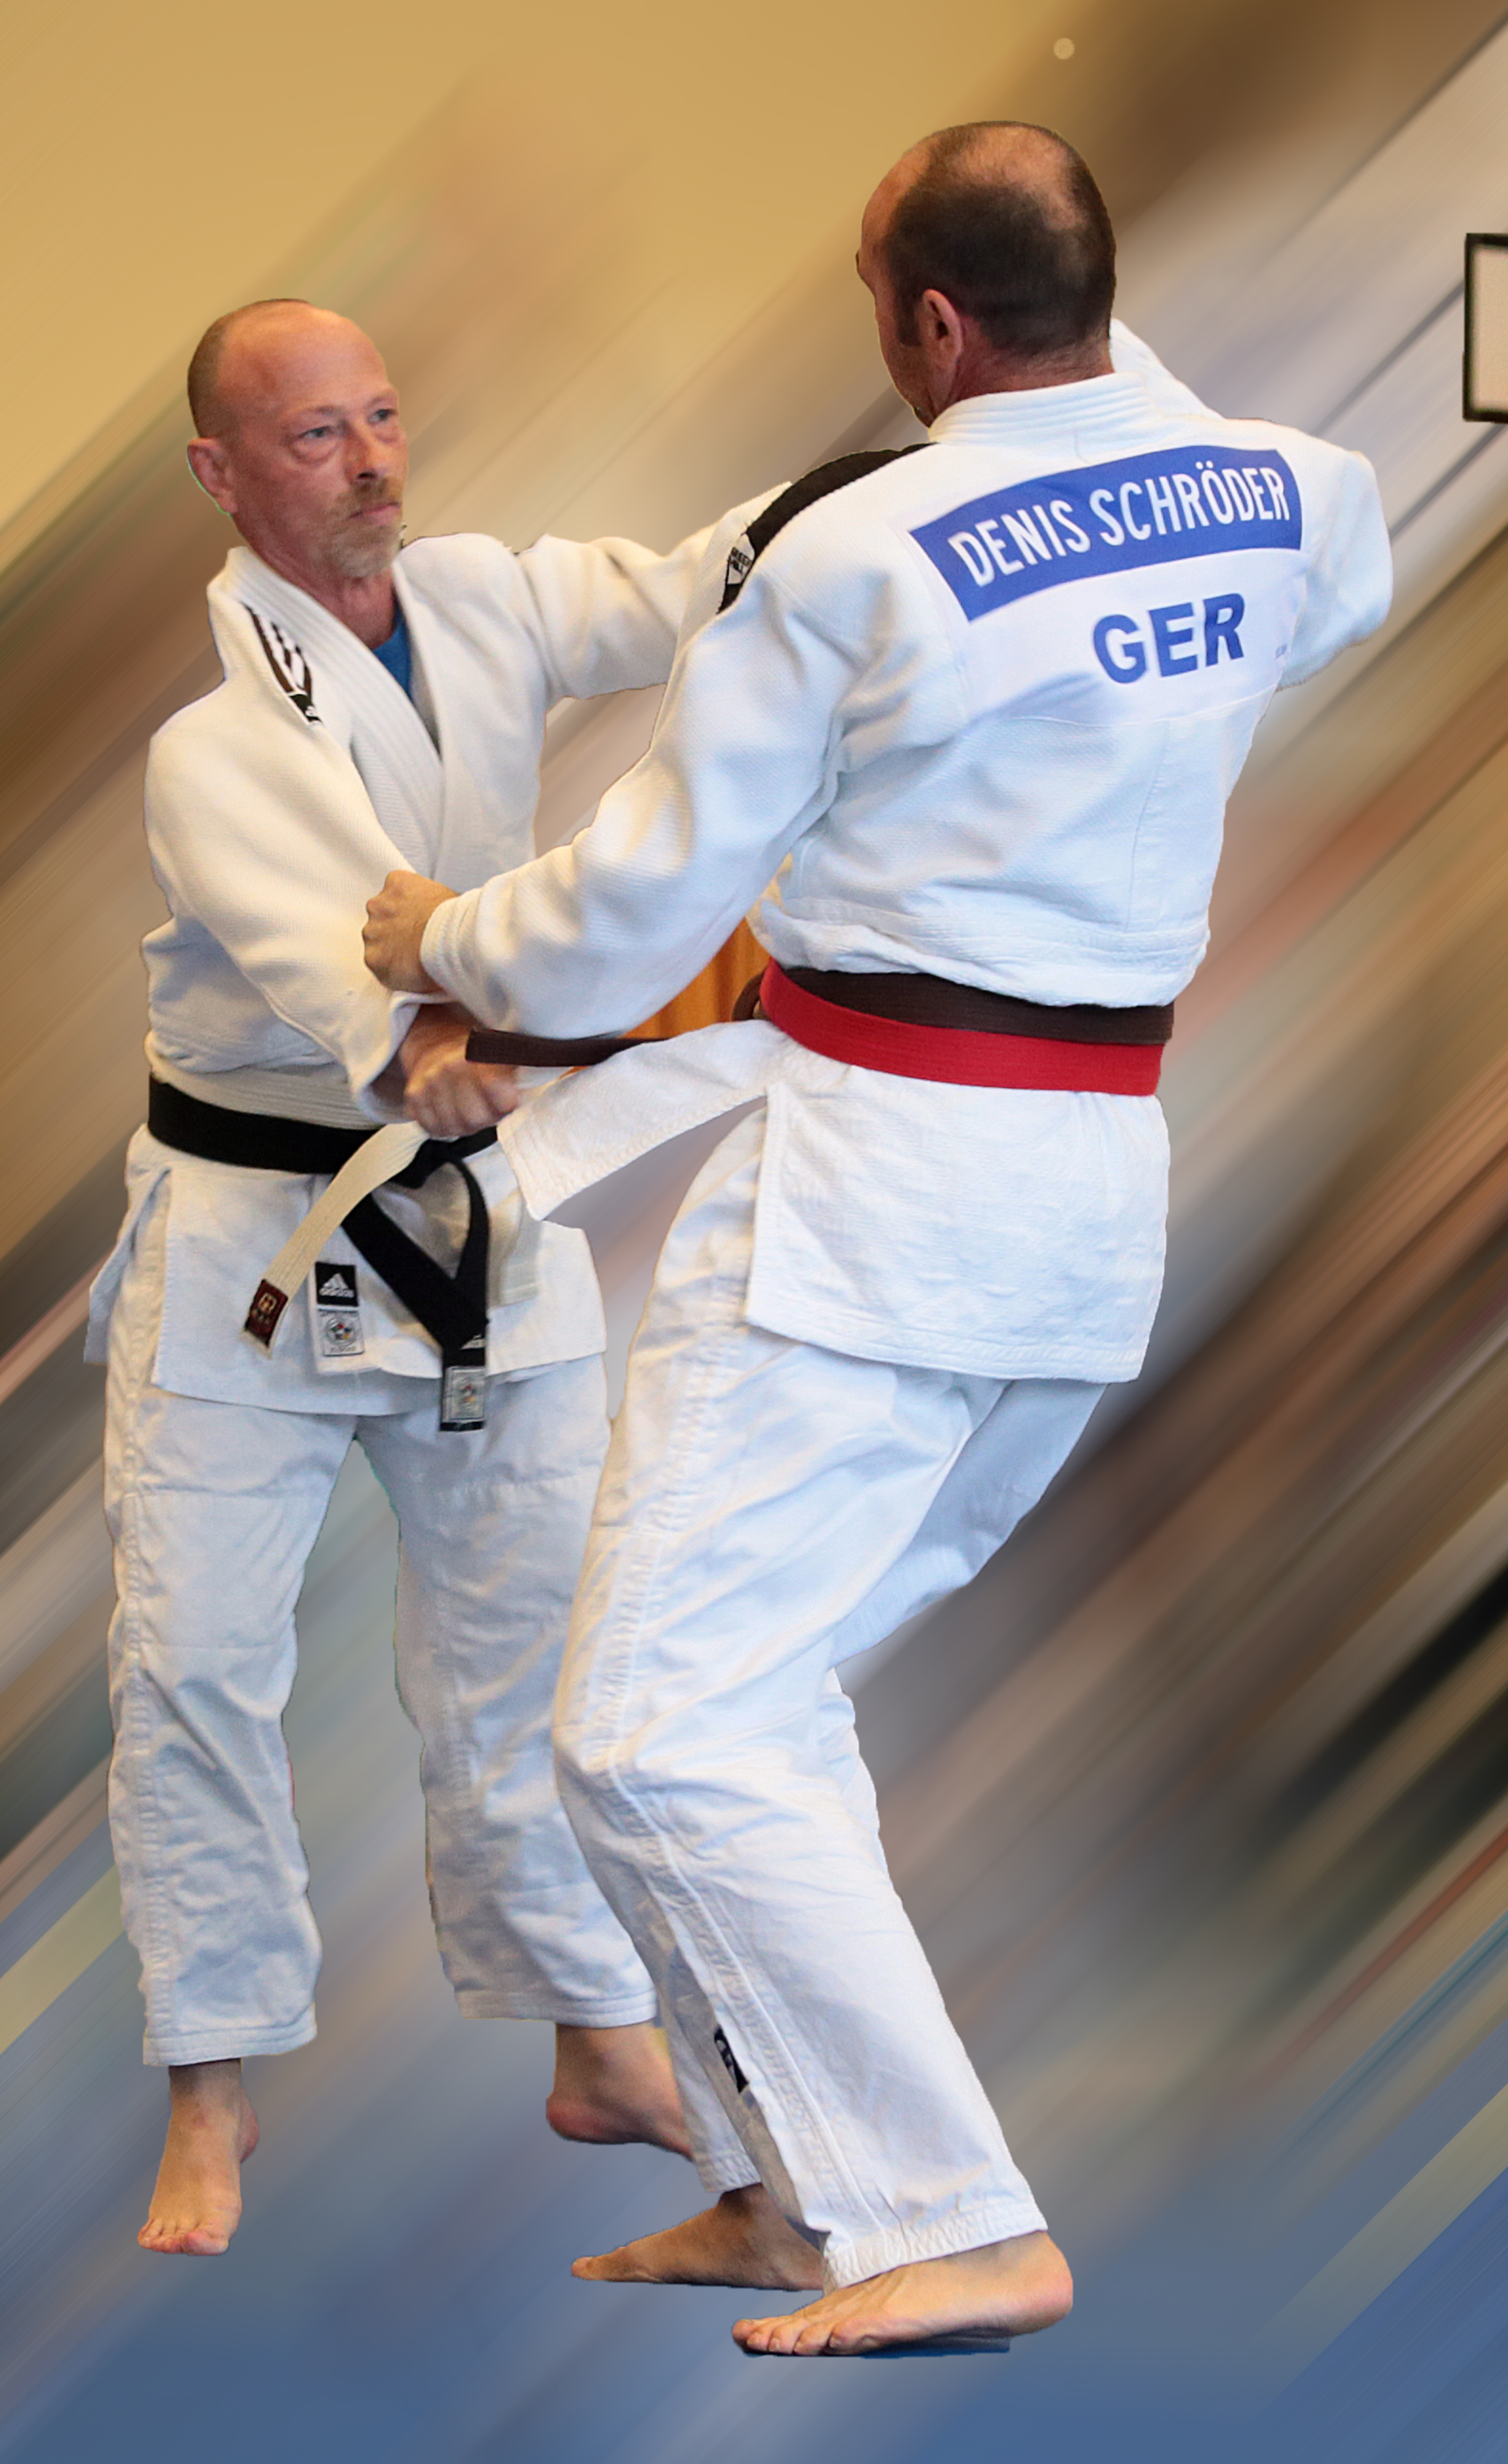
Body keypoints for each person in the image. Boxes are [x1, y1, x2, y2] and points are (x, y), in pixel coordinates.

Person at [365, 119, 1392, 2354]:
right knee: (738, 1701)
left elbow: (628, 913)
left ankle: (951, 2215)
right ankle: (798, 2187)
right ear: (1090, 288)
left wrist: (435, 930)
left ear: (928, 323)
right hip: (1081, 1195)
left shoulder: (851, 557)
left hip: (874, 1192)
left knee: (656, 1722)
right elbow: (1298, 583)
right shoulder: (1292, 493)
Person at [87, 298, 723, 2256]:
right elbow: (339, 966)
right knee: (197, 1661)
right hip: (259, 1239)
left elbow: (683, 584)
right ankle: (212, 2083)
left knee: (530, 1639)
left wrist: (874, 506)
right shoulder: (210, 748)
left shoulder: (479, 598)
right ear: (220, 474)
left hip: (465, 1216)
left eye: (380, 418)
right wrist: (442, 1044)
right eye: (315, 437)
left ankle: (595, 2030)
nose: (371, 461)